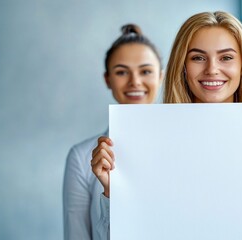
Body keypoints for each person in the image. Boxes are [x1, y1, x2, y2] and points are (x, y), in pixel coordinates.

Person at [90, 11, 242, 238]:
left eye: (226, 57)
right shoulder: (146, 145)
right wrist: (115, 191)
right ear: (182, 66)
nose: (212, 69)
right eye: (198, 57)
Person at [63, 24, 163, 240]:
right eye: (121, 72)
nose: (135, 81)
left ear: (161, 77)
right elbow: (77, 235)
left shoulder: (181, 146)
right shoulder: (81, 157)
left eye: (145, 71)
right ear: (107, 79)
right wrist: (110, 193)